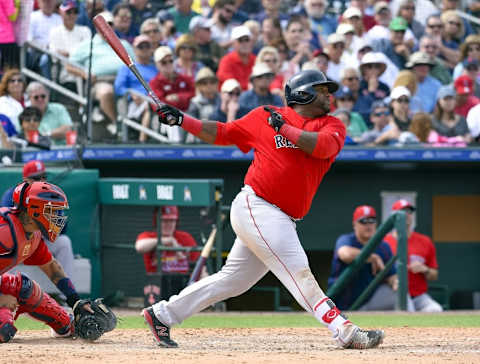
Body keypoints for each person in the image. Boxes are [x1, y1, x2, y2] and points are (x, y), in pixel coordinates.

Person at [144, 69, 385, 349]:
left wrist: (284, 128)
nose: (330, 95)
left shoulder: (332, 125)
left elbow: (320, 148)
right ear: (303, 93)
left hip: (281, 216)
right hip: (257, 205)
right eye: (323, 89)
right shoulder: (264, 115)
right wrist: (183, 119)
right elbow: (223, 132)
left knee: (233, 281)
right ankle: (343, 329)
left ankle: (161, 314)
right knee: (299, 271)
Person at [0, 180, 89, 342]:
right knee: (3, 330)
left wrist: (75, 301)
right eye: (52, 210)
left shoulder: (33, 235)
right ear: (34, 210)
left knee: (23, 287)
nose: (57, 216)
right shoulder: (4, 231)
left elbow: (51, 267)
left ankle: (66, 324)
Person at [1, 160, 75, 280]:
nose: (41, 181)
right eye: (36, 178)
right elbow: (8, 227)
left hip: (39, 244)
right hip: (18, 243)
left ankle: (67, 297)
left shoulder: (50, 195)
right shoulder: (12, 195)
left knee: (64, 242)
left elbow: (61, 229)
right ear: (25, 179)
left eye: (43, 177)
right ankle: (10, 293)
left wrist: (50, 220)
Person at [328, 205, 398, 311]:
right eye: (363, 221)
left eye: (371, 221)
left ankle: (411, 326)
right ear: (354, 224)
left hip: (368, 302)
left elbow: (391, 275)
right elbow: (345, 254)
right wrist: (372, 257)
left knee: (398, 295)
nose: (368, 225)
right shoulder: (347, 240)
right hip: (339, 304)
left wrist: (395, 282)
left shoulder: (383, 246)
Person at [384, 200, 443, 312]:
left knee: (436, 310)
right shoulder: (384, 242)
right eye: (402, 211)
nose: (406, 215)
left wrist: (425, 269)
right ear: (394, 216)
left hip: (419, 296)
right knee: (408, 310)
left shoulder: (425, 241)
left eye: (409, 211)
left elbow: (434, 275)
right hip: (394, 294)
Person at [135, 206, 201, 304]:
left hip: (184, 286)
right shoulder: (149, 236)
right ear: (156, 221)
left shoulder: (185, 237)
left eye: (172, 221)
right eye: (164, 221)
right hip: (159, 287)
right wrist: (167, 241)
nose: (168, 225)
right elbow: (139, 247)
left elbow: (200, 268)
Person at [49, 0, 92, 88]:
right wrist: (74, 54)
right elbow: (54, 56)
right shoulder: (55, 32)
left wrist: (69, 54)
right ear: (61, 12)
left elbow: (88, 52)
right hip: (64, 71)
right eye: (68, 12)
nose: (72, 15)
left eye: (75, 12)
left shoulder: (85, 30)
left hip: (83, 67)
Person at [216, 25, 256, 91]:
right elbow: (231, 85)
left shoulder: (256, 60)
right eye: (240, 40)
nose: (244, 43)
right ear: (233, 43)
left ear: (251, 42)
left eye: (247, 40)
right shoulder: (226, 61)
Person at [186, 67, 220, 143]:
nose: (209, 85)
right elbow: (192, 124)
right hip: (201, 141)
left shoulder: (222, 99)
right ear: (199, 86)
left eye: (212, 82)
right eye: (204, 83)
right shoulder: (195, 102)